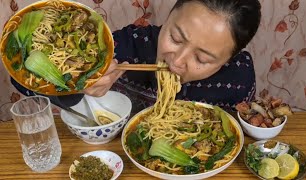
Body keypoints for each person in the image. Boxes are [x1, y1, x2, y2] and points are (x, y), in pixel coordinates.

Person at [12, 0, 261, 113]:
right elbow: (23, 82)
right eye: (175, 38)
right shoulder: (128, 46)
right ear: (169, 16)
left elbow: (236, 136)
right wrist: (77, 87)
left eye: (203, 59)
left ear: (229, 58)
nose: (177, 61)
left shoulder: (238, 78)